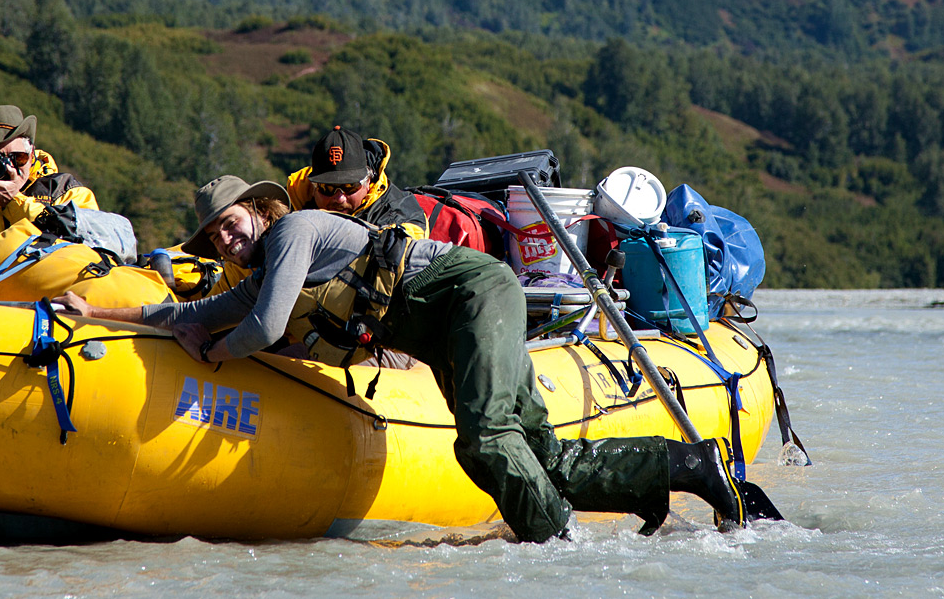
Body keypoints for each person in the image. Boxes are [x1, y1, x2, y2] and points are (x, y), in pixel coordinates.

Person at [55, 175, 781, 542]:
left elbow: (263, 323)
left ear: (261, 210)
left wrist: (212, 350)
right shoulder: (262, 264)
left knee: (487, 439)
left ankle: (563, 552)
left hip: (474, 294)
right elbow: (187, 312)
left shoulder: (297, 232)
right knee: (537, 454)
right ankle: (689, 469)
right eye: (213, 236)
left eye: (231, 223)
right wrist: (102, 314)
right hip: (446, 331)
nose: (224, 240)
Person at [0, 104, 168, 305]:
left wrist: (15, 202)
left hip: (53, 314)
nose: (7, 167)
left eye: (18, 157)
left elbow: (92, 251)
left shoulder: (66, 191)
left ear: (32, 153)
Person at [286, 125, 425, 232]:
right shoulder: (291, 201)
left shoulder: (399, 214)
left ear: (368, 182)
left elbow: (413, 241)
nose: (339, 198)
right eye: (327, 188)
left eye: (349, 187)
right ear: (314, 188)